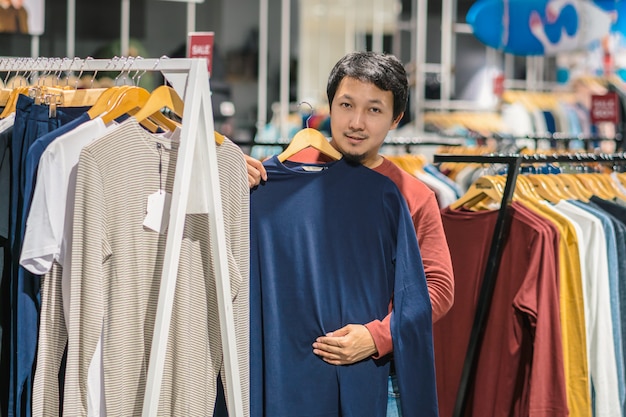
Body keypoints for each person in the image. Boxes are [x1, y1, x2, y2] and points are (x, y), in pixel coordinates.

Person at [246, 51, 454, 416]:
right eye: (346, 105)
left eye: (374, 110)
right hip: (293, 374)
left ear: (395, 119)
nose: (356, 122)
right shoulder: (273, 182)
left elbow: (437, 289)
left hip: (376, 373)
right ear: (330, 107)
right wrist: (233, 185)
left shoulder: (410, 195)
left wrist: (375, 337)